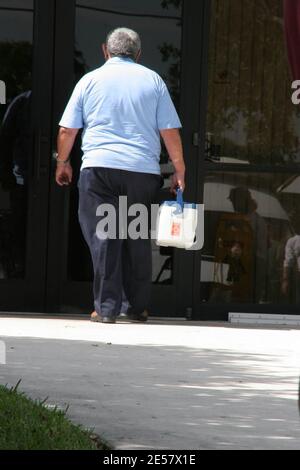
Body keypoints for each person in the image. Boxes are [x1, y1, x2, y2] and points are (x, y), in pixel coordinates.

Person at [55, 28, 185, 324]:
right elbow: (169, 131)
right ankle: (137, 307)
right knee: (135, 236)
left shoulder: (89, 81)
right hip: (141, 173)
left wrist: (62, 162)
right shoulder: (153, 81)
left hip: (99, 170)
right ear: (138, 54)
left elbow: (67, 130)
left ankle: (107, 308)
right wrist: (179, 168)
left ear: (105, 50)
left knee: (104, 236)